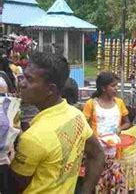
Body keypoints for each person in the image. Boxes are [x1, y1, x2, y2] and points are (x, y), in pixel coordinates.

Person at [10, 52, 105, 193]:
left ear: (51, 89)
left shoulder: (34, 138)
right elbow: (98, 155)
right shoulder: (75, 115)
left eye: (29, 80)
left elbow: (13, 187)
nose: (22, 83)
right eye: (23, 76)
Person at [83, 72, 130, 193]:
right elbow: (83, 125)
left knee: (116, 186)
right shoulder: (91, 104)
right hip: (96, 155)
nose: (116, 88)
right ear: (103, 88)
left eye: (117, 86)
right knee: (98, 187)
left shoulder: (119, 103)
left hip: (115, 155)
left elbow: (127, 122)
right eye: (113, 86)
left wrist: (120, 129)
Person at [120, 107, 136, 193]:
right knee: (131, 185)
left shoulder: (118, 132)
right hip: (133, 161)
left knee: (121, 184)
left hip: (121, 161)